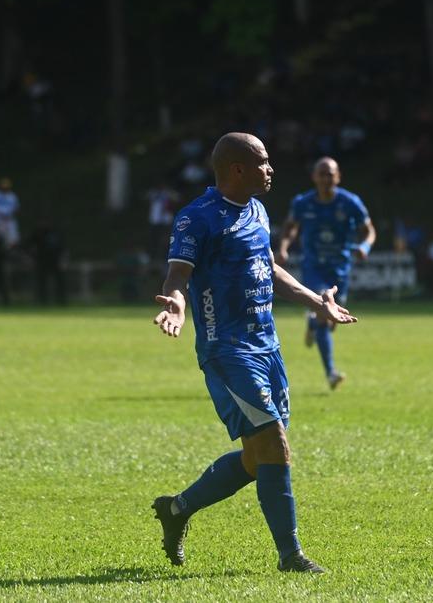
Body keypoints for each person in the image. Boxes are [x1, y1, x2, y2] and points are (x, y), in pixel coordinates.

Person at [151, 133, 357, 574]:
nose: (271, 169)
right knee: (275, 445)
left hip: (268, 346)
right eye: (263, 162)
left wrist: (315, 301)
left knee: (255, 458)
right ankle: (291, 556)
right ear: (237, 169)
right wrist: (176, 304)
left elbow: (268, 265)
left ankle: (177, 508)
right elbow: (177, 276)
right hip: (228, 350)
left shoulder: (258, 211)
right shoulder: (197, 218)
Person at [276, 157, 376, 390]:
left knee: (331, 319)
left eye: (330, 174)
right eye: (321, 173)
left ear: (338, 176)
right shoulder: (302, 203)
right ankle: (331, 372)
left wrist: (364, 247)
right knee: (325, 309)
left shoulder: (350, 202)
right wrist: (283, 247)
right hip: (314, 268)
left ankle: (312, 325)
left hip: (340, 269)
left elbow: (368, 230)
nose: (325, 178)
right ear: (314, 177)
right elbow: (290, 227)